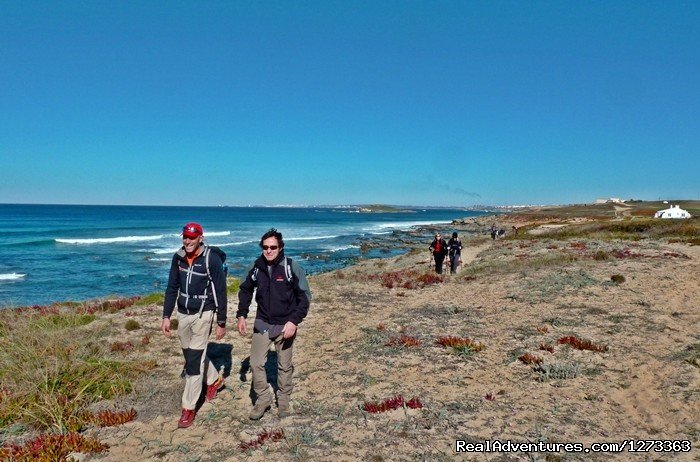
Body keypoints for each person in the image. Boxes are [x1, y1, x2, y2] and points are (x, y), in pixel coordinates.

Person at [236, 228, 311, 420]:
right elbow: (245, 290)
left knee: (284, 366)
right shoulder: (255, 267)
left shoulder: (291, 267)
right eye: (265, 247)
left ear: (281, 247)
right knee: (255, 363)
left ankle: (283, 401)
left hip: (286, 325)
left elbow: (305, 298)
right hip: (263, 323)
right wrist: (242, 315)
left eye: (273, 247)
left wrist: (294, 321)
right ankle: (263, 399)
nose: (269, 251)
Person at [161, 222, 227, 429]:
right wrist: (166, 316)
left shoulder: (211, 259)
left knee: (193, 363)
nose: (187, 241)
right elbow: (172, 287)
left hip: (203, 314)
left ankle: (188, 409)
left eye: (192, 237)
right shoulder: (178, 258)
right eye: (185, 237)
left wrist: (221, 321)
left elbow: (220, 292)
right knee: (190, 354)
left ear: (201, 238)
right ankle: (215, 380)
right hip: (183, 313)